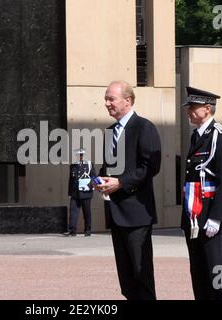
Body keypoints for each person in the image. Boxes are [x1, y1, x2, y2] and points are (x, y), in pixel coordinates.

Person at [95, 80, 161, 300]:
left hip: (137, 214)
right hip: (116, 214)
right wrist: (98, 180)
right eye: (106, 99)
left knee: (141, 276)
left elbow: (150, 166)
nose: (107, 103)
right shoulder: (109, 132)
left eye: (111, 99)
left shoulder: (144, 127)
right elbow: (108, 168)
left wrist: (120, 183)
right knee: (126, 281)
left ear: (127, 100)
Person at [181, 86, 222, 300]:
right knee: (199, 271)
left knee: (216, 270)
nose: (189, 111)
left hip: (210, 216)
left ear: (207, 108)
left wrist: (217, 217)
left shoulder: (220, 136)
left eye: (192, 107)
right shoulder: (197, 135)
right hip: (194, 217)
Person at [64, 148, 96, 237]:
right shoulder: (73, 165)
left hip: (86, 192)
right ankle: (72, 231)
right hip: (75, 193)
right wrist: (69, 193)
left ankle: (88, 230)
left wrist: (90, 186)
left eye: (82, 155)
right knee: (73, 212)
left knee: (87, 212)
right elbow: (71, 180)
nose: (81, 157)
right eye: (79, 155)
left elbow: (94, 177)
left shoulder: (89, 164)